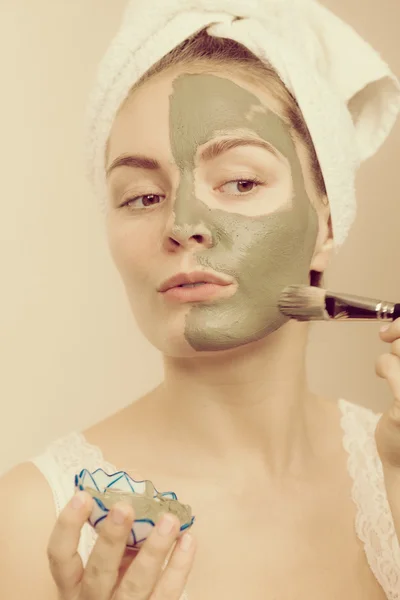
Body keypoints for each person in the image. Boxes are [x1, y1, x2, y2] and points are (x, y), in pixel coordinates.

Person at [1, 2, 400, 599]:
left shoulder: (392, 465)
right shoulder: (36, 520)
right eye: (140, 196)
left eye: (240, 182)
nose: (183, 224)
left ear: (327, 221)